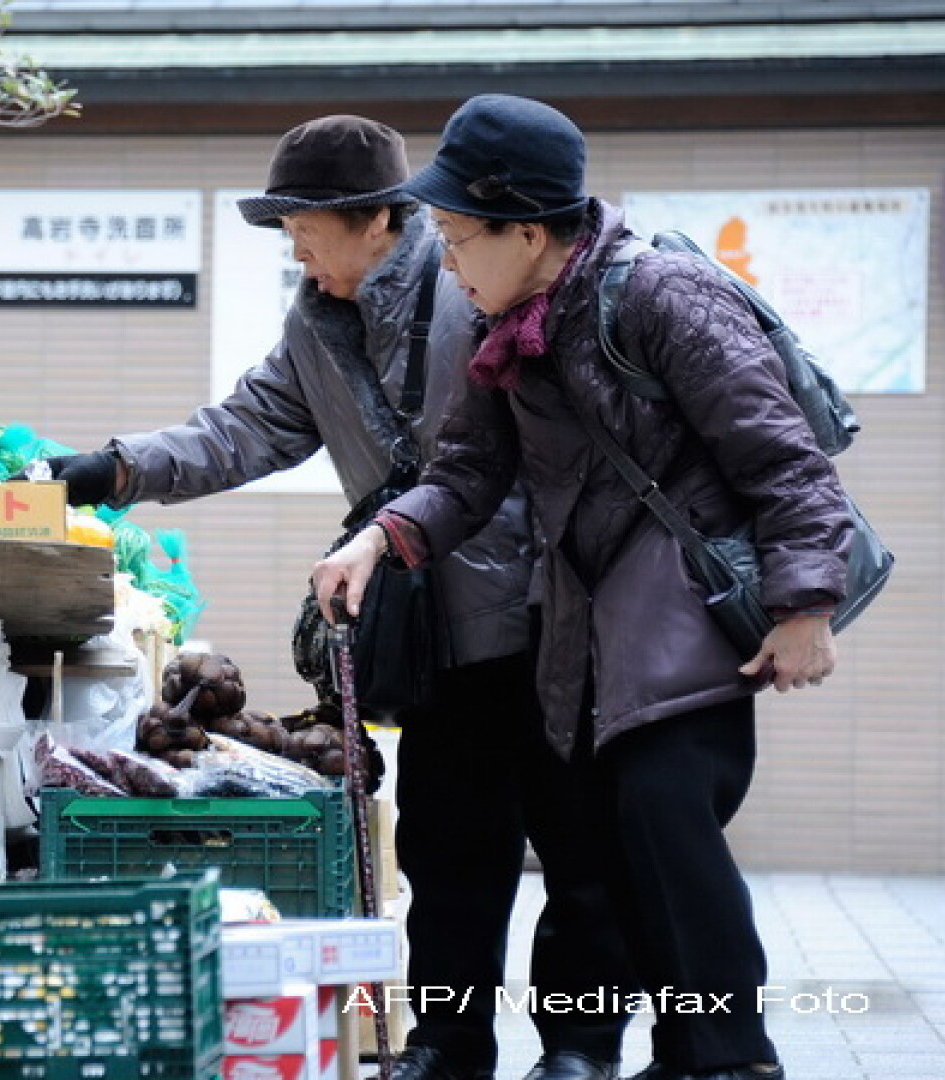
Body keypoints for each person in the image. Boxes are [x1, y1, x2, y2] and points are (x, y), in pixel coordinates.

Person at [42, 115, 632, 1080]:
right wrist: (113, 470)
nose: (295, 247)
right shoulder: (317, 325)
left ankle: (580, 1049)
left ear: (374, 221)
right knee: (448, 858)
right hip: (435, 634)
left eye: (304, 225)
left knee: (580, 852)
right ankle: (444, 1046)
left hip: (551, 616)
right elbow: (242, 429)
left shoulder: (473, 287)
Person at [315, 94, 855, 1080]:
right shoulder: (505, 329)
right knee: (626, 847)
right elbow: (468, 476)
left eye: (457, 235)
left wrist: (806, 609)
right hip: (595, 624)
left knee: (662, 832)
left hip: (689, 616)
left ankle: (728, 1058)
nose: (448, 258)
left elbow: (787, 465)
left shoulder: (664, 296)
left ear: (527, 229)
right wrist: (381, 541)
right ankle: (693, 1056)